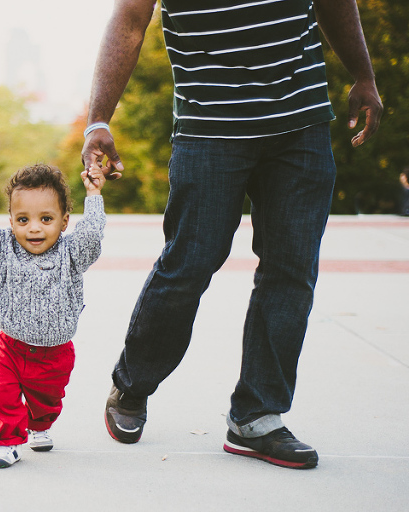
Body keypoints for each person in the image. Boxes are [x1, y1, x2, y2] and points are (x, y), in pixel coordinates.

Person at [82, 0, 382, 469]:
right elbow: (129, 20)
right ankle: (133, 384)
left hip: (299, 120)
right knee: (191, 260)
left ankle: (256, 415)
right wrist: (99, 118)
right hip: (210, 124)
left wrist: (363, 75)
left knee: (291, 267)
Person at [0, 163, 106, 468]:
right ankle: (5, 443)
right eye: (23, 219)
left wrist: (94, 194)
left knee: (48, 402)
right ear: (12, 221)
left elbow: (92, 236)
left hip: (54, 354)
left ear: (64, 221)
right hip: (11, 348)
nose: (34, 228)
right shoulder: (4, 246)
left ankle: (39, 425)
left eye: (46, 219)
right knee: (2, 395)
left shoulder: (72, 252)